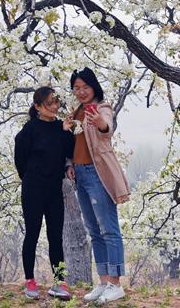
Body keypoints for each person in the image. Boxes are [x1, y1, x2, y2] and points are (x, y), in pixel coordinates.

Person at [63, 68, 131, 304]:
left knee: (109, 229)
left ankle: (115, 283)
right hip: (80, 175)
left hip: (97, 173)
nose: (81, 92)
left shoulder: (102, 107)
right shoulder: (76, 112)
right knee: (93, 230)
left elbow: (106, 129)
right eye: (76, 88)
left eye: (85, 87)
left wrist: (101, 124)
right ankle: (103, 282)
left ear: (94, 87)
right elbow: (73, 143)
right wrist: (70, 164)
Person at [14, 86, 74, 300]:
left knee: (56, 236)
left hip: (53, 188)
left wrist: (66, 130)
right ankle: (30, 281)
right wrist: (29, 176)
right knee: (32, 233)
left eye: (56, 102)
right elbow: (20, 156)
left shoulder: (61, 126)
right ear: (38, 106)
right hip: (33, 187)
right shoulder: (30, 129)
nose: (55, 107)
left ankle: (59, 282)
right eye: (50, 103)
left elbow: (69, 151)